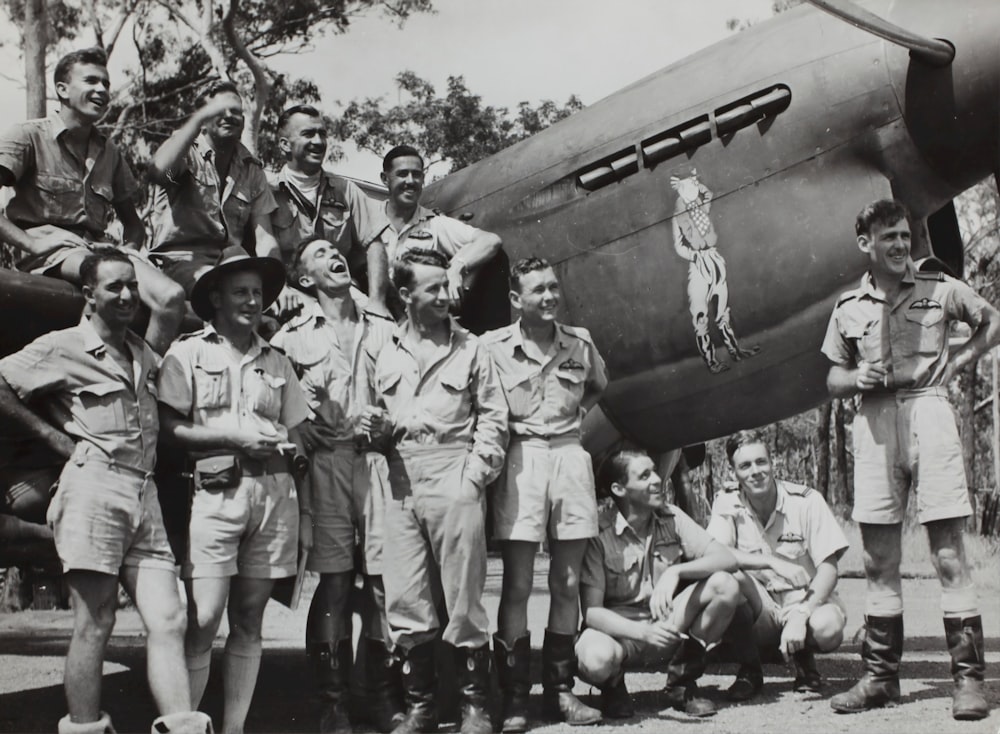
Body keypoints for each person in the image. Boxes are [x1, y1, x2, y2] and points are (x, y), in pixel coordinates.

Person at [0, 248, 209, 734]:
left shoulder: (143, 353)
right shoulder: (62, 345)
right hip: (92, 485)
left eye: (132, 286)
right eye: (114, 286)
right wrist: (51, 436)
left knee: (170, 619)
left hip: (144, 492)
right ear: (88, 295)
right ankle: (85, 727)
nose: (127, 295)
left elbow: (171, 306)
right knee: (95, 622)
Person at [822, 198, 999, 720]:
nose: (901, 245)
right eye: (890, 238)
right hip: (874, 422)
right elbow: (832, 377)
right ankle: (880, 678)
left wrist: (961, 360)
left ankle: (968, 682)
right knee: (878, 558)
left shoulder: (939, 288)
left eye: (905, 236)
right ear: (866, 245)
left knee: (947, 552)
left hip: (930, 412)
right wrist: (857, 379)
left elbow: (992, 321)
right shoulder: (847, 307)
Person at [157, 246, 312, 734]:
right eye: (240, 292)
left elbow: (299, 433)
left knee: (248, 620)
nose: (251, 301)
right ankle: (186, 726)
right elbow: (170, 430)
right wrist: (232, 437)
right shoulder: (187, 353)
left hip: (272, 499)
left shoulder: (278, 363)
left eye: (257, 294)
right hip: (215, 496)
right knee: (203, 619)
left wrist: (289, 451)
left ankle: (233, 729)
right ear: (216, 299)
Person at [360, 248, 508, 734]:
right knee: (405, 598)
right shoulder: (380, 347)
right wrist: (371, 430)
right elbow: (366, 415)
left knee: (464, 598)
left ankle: (474, 708)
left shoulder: (472, 348)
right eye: (434, 289)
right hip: (398, 478)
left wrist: (472, 479)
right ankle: (420, 706)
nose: (447, 295)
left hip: (453, 470)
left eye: (448, 286)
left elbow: (493, 419)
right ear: (405, 295)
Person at [271, 236, 397, 733]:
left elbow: (408, 386)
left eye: (335, 250)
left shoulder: (385, 327)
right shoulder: (291, 338)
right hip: (327, 468)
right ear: (304, 279)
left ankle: (381, 695)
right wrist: (300, 429)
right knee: (337, 583)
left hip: (381, 466)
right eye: (319, 254)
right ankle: (333, 702)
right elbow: (270, 400)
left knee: (387, 584)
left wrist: (391, 424)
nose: (334, 256)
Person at [481, 257, 608, 729]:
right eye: (538, 290)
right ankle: (514, 695)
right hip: (522, 458)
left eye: (554, 287)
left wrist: (570, 424)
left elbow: (596, 387)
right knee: (516, 583)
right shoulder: (493, 347)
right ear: (517, 299)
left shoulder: (580, 342)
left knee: (567, 582)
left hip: (570, 454)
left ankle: (560, 690)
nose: (550, 297)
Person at [0, 47, 185, 355]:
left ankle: (143, 381)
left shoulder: (109, 151)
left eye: (106, 84)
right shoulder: (28, 136)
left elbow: (134, 225)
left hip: (97, 251)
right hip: (53, 254)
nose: (101, 90)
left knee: (171, 297)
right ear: (62, 89)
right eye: (91, 81)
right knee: (110, 287)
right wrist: (30, 244)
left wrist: (128, 250)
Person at [575, 449, 741, 720]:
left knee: (725, 584)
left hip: (669, 627)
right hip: (623, 635)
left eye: (654, 471)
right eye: (644, 475)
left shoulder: (671, 517)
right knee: (594, 657)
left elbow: (726, 558)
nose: (657, 479)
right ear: (619, 489)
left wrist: (675, 571)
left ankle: (682, 683)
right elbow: (592, 613)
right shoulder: (599, 534)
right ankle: (613, 687)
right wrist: (642, 633)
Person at [707, 430, 848, 699]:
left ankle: (805, 662)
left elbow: (829, 568)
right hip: (760, 606)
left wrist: (801, 613)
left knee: (829, 628)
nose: (755, 471)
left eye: (761, 462)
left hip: (803, 600)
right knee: (727, 576)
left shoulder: (806, 501)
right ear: (733, 471)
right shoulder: (727, 502)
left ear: (774, 463)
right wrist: (770, 562)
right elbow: (715, 554)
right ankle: (750, 669)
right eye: (745, 466)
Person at [148, 81, 280, 297]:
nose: (229, 116)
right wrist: (196, 120)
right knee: (227, 291)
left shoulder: (252, 170)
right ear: (203, 119)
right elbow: (161, 173)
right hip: (179, 262)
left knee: (296, 307)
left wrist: (276, 283)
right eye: (219, 110)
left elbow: (264, 238)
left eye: (236, 111)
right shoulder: (183, 153)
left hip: (233, 262)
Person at [270, 105, 389, 314]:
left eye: (322, 134)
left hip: (341, 290)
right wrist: (279, 289)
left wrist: (377, 303)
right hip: (290, 294)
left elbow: (374, 245)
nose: (318, 141)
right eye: (308, 134)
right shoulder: (268, 193)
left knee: (380, 327)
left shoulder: (346, 190)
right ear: (285, 145)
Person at [359, 145, 502, 306]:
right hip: (372, 312)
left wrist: (456, 267)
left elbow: (490, 240)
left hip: (415, 316)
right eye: (402, 174)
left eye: (417, 175)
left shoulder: (433, 222)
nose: (411, 181)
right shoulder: (367, 216)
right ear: (385, 179)